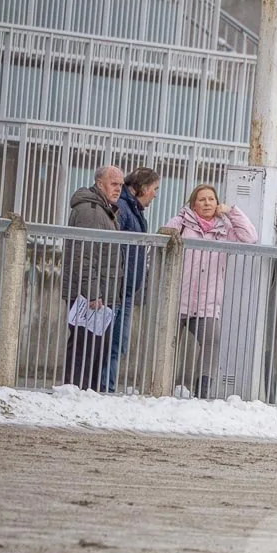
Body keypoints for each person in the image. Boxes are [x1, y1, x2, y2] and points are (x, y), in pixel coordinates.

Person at [162, 184, 258, 399]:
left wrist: (232, 211)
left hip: (207, 302)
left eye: (211, 200)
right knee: (168, 342)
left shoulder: (224, 231)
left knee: (211, 341)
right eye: (202, 199)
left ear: (217, 204)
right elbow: (161, 241)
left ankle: (202, 391)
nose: (207, 203)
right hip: (178, 298)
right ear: (193, 204)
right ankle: (161, 385)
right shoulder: (181, 223)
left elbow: (250, 237)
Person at [100, 167, 161, 393]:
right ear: (143, 188)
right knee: (113, 344)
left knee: (118, 344)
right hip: (117, 289)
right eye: (154, 189)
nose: (155, 194)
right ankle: (105, 387)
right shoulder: (124, 209)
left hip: (124, 290)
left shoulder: (132, 209)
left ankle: (107, 386)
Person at [62, 166, 123, 390]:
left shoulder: (103, 210)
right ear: (99, 184)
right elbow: (84, 255)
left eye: (121, 184)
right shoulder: (92, 211)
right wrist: (93, 292)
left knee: (95, 348)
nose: (118, 188)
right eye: (114, 183)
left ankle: (84, 392)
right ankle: (77, 392)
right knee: (85, 348)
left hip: (98, 293)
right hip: (90, 296)